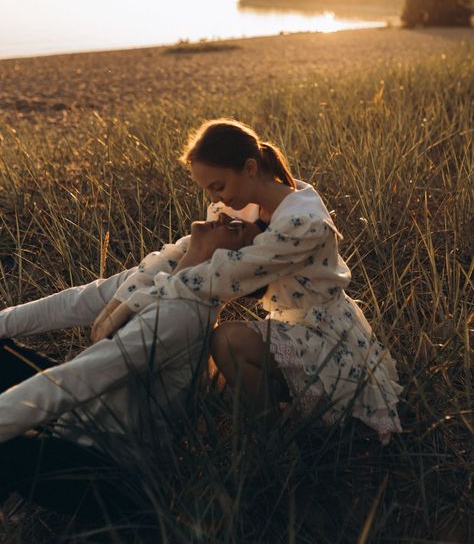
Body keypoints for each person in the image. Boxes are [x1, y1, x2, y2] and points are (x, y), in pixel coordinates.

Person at [93, 118, 403, 444]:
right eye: (208, 189)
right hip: (291, 325)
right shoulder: (251, 204)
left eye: (218, 186)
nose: (216, 200)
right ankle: (277, 417)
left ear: (250, 168)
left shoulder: (302, 222)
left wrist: (135, 303)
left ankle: (273, 441)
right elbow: (182, 250)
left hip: (322, 335)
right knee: (203, 347)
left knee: (226, 340)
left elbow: (219, 275)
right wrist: (120, 301)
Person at [0, 217, 262, 519]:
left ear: (233, 264)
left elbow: (73, 381)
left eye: (236, 228)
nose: (225, 217)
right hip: (77, 422)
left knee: (6, 452)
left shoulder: (182, 314)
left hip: (110, 471)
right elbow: (76, 302)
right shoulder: (161, 275)